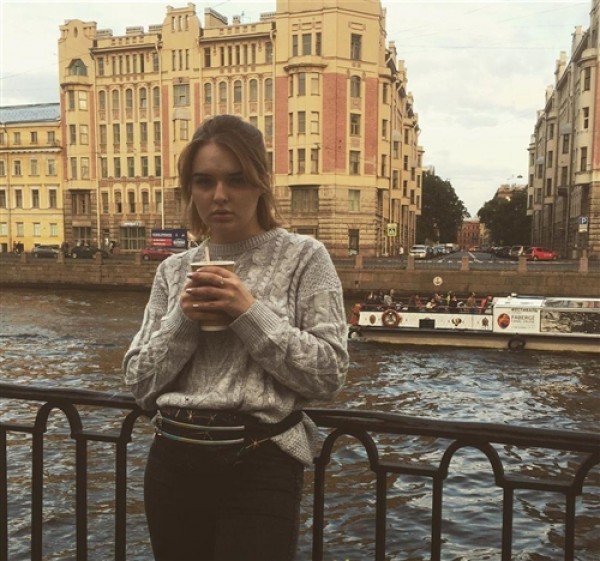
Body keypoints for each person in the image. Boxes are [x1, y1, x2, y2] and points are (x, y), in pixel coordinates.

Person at [123, 115, 349, 561]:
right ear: (190, 189)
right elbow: (139, 383)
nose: (219, 195)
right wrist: (184, 318)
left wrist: (248, 312)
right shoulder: (172, 270)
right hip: (173, 460)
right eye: (204, 181)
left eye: (236, 179)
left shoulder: (306, 257)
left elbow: (329, 374)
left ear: (261, 182)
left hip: (260, 463)